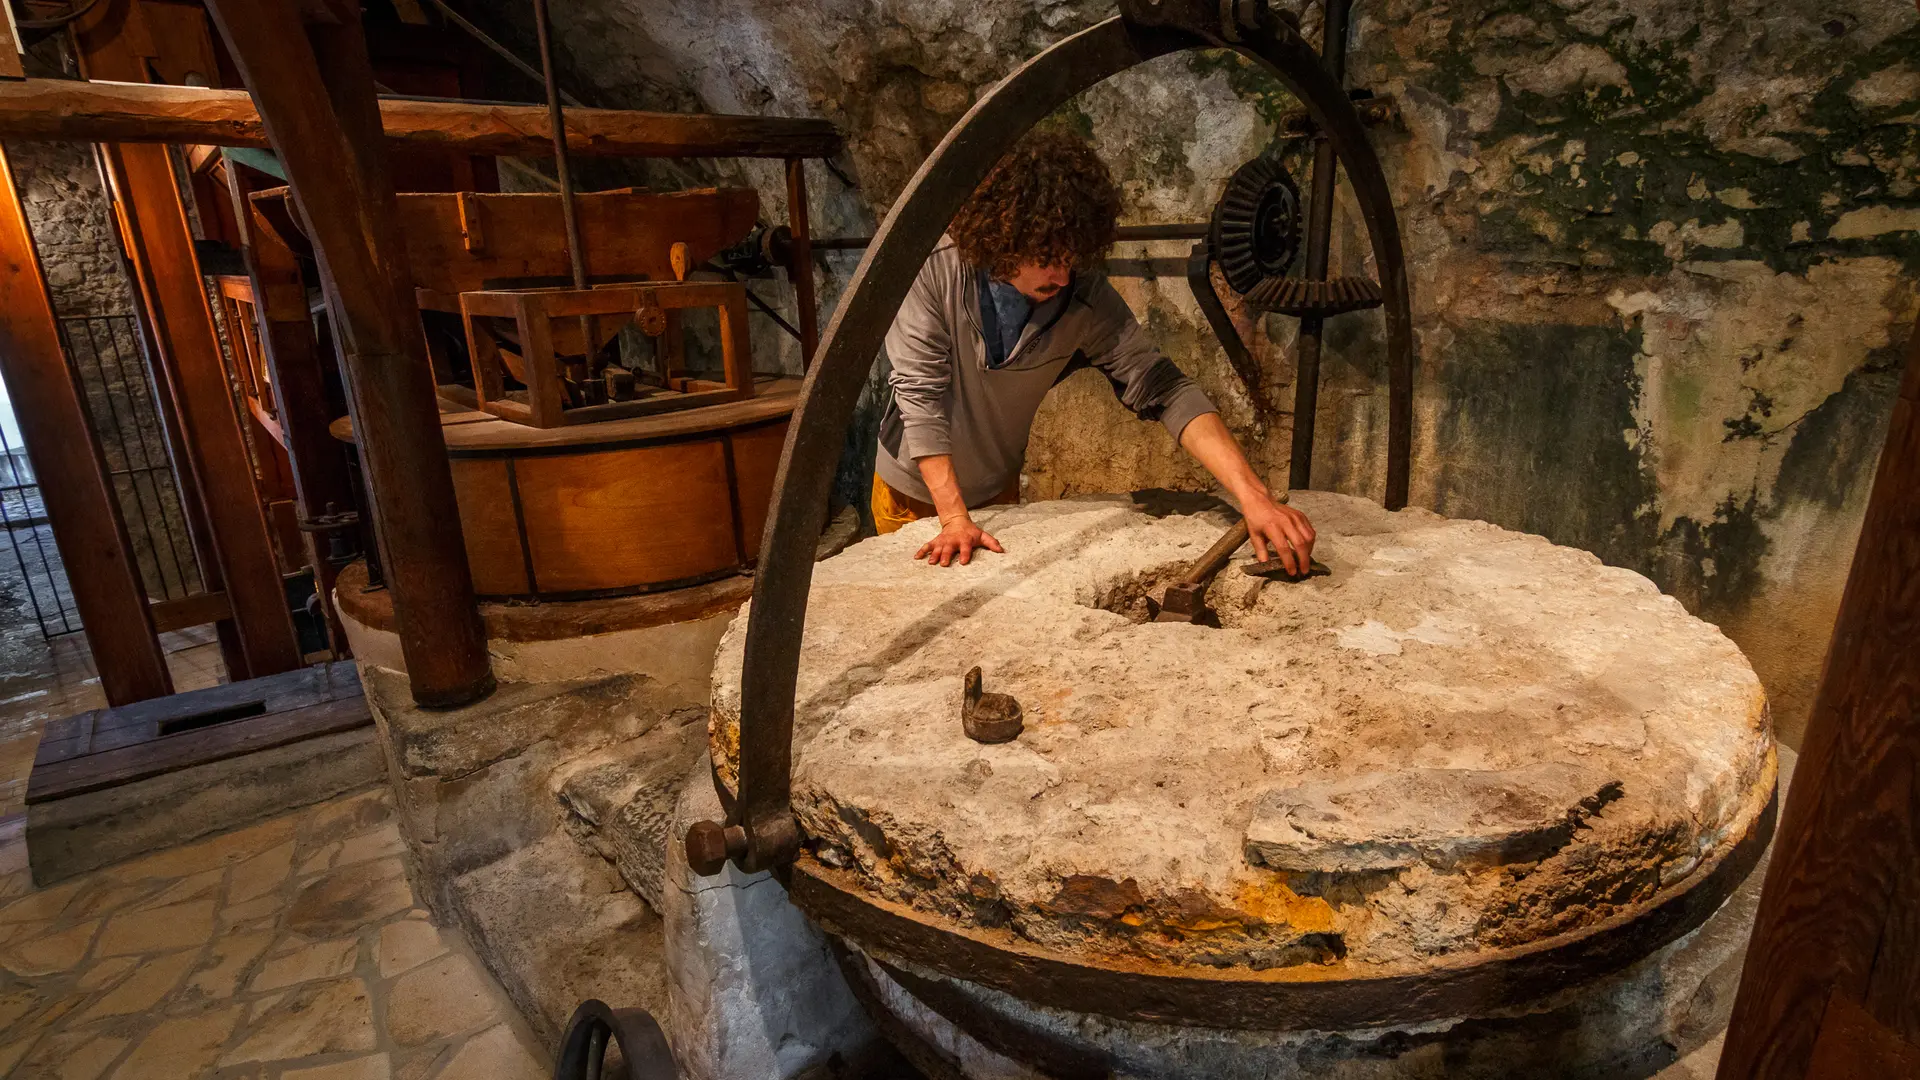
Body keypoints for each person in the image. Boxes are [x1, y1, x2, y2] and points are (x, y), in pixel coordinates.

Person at [872, 127, 1316, 572]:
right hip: (911, 491)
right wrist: (952, 516)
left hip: (994, 487)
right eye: (1047, 258)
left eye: (1071, 260)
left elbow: (1164, 387)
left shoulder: (1082, 295)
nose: (1063, 277)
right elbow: (920, 393)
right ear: (1003, 239)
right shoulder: (935, 268)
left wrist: (1255, 498)